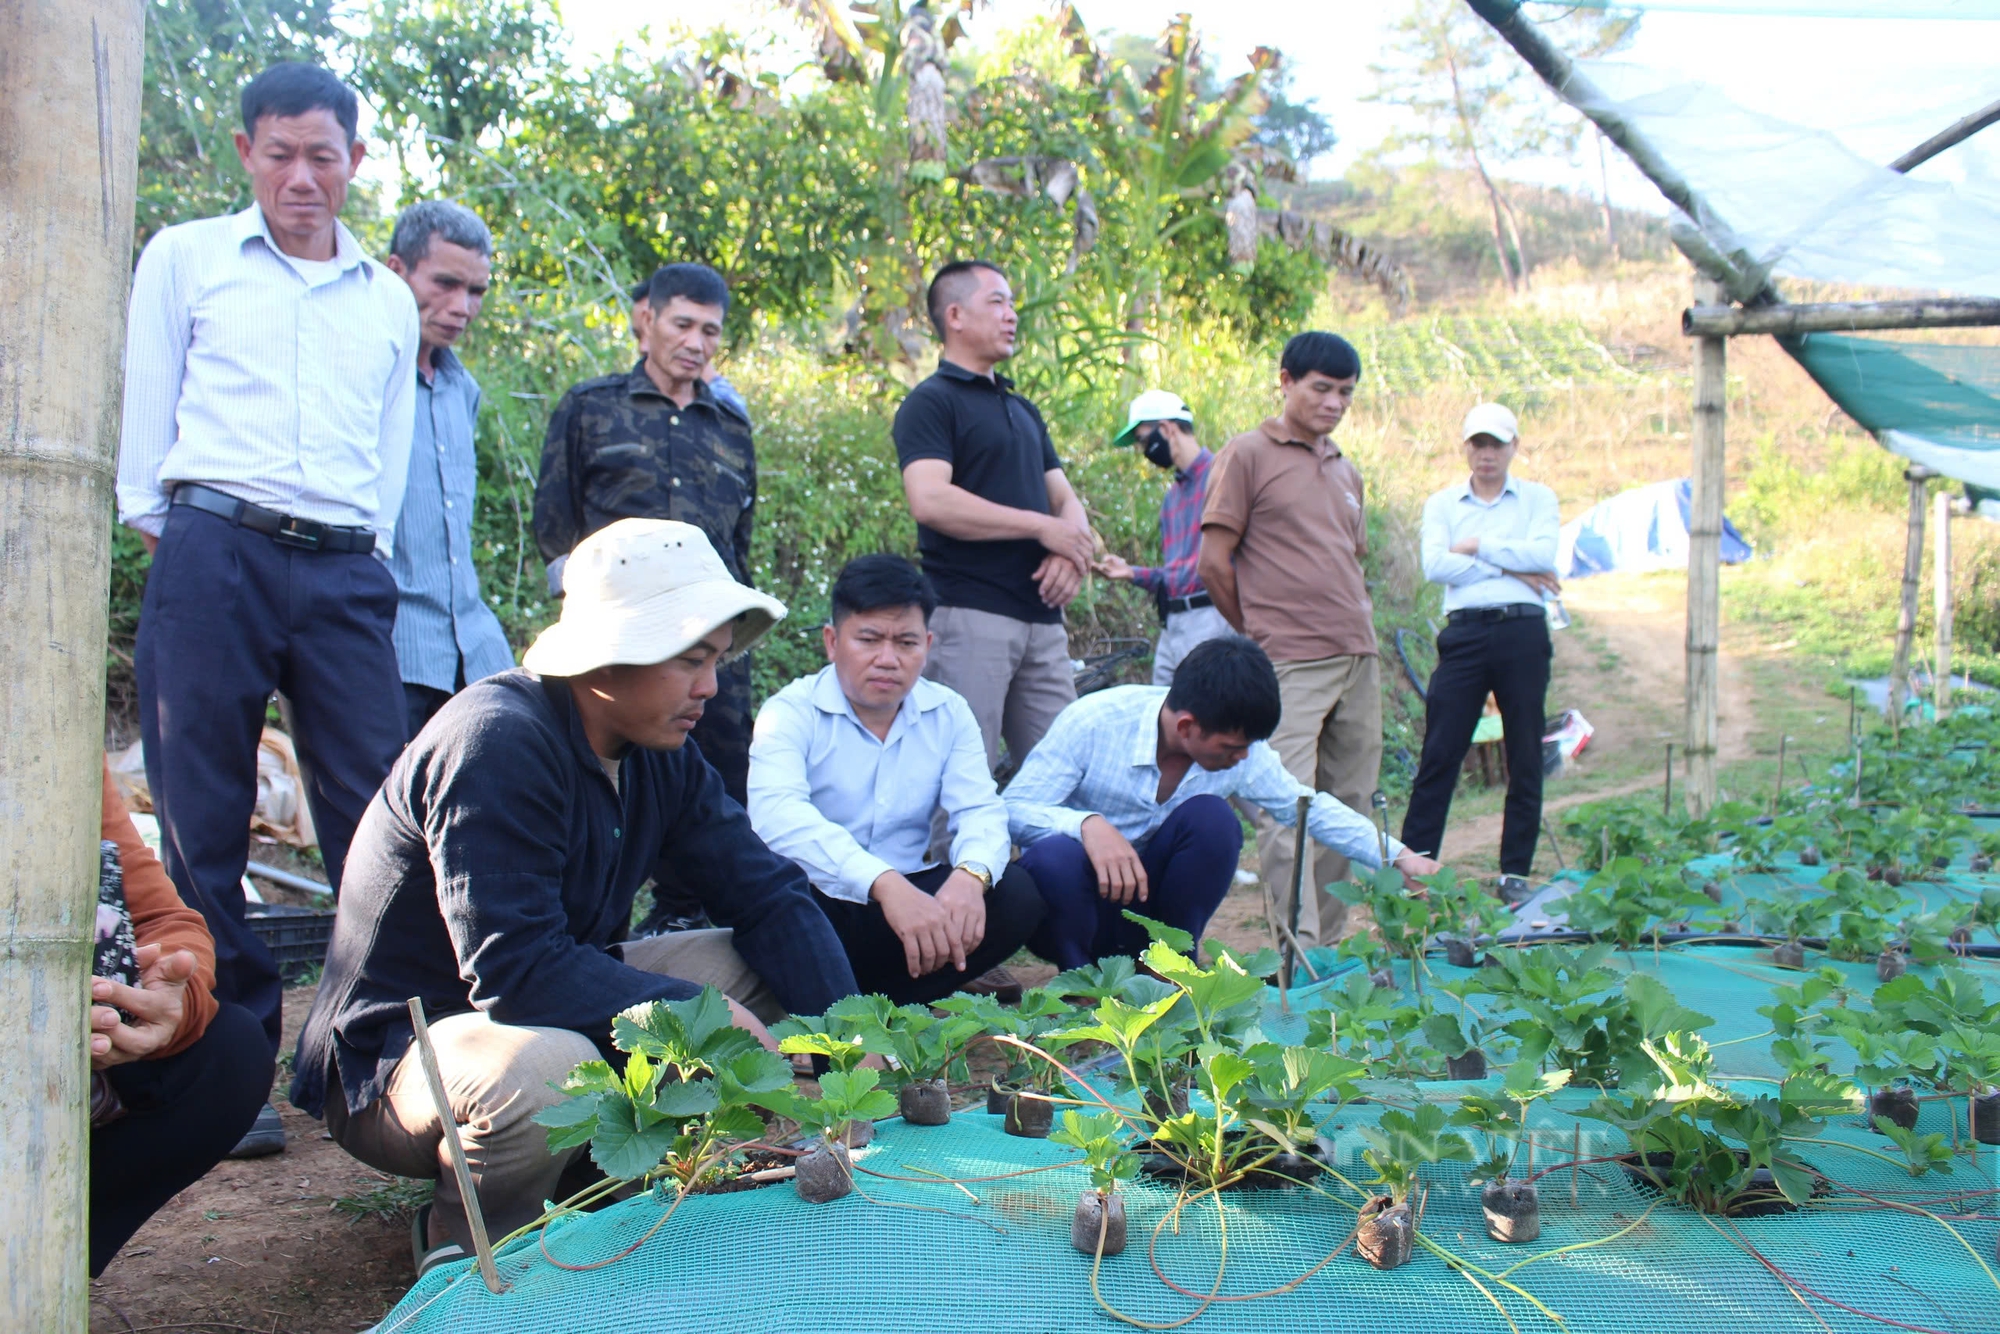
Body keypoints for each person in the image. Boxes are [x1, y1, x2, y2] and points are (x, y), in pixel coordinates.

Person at [291, 519, 857, 1273]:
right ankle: (477, 1241)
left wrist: (851, 1050)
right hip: (403, 1051)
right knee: (546, 1069)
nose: (710, 687)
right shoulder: (496, 742)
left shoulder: (661, 754)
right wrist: (707, 1017)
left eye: (716, 660)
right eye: (690, 660)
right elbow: (515, 970)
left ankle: (626, 1171)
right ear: (608, 655)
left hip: (537, 1002)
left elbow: (769, 896)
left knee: (755, 964)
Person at [117, 61, 419, 1153]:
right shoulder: (187, 256)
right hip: (212, 549)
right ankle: (232, 1061)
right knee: (199, 807)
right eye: (280, 153)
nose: (302, 176)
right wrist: (197, 542)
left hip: (342, 568)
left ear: (354, 161)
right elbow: (145, 438)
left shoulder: (386, 296)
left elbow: (385, 459)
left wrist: (356, 555)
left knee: (377, 811)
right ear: (246, 151)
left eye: (322, 156)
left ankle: (365, 1049)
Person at [1005, 636, 1441, 969]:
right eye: (1233, 747)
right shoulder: (1095, 723)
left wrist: (1398, 855)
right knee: (1053, 857)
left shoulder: (1239, 753)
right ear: (1188, 725)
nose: (1243, 757)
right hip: (1079, 909)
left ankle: (1172, 965)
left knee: (1214, 820)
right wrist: (1088, 826)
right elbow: (1011, 810)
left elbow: (1306, 807)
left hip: (1148, 910)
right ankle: (1081, 981)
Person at [748, 555, 1046, 1003]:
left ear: (927, 644)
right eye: (868, 639)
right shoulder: (789, 712)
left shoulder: (947, 712)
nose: (887, 659)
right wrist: (883, 883)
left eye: (906, 643)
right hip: (816, 903)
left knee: (1016, 896)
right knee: (777, 908)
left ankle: (878, 1003)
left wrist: (970, 877)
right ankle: (830, 1004)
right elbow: (777, 819)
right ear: (832, 642)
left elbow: (981, 809)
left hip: (912, 906)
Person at [534, 262, 758, 809]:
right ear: (647, 319)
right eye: (682, 324)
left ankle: (690, 899)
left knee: (717, 788)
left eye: (709, 330)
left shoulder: (731, 430)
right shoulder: (592, 407)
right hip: (618, 639)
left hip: (709, 644)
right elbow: (554, 528)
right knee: (592, 782)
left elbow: (737, 543)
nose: (695, 343)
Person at [1197, 331, 1377, 949]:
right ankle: (1295, 955)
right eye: (1321, 388)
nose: (1333, 403)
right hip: (1290, 660)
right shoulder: (1248, 454)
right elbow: (1214, 561)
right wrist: (1256, 637)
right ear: (1286, 381)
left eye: (1345, 393)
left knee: (1349, 807)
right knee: (1289, 808)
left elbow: (1351, 558)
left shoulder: (1346, 468)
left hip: (1359, 655)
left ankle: (1327, 947)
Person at [893, 259, 1094, 772]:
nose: (1012, 315)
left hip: (1044, 623)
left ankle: (1047, 859)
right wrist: (1042, 528)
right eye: (998, 302)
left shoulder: (1021, 408)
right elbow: (930, 499)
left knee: (1063, 778)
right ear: (955, 315)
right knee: (961, 778)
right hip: (971, 616)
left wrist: (1071, 555)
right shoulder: (931, 403)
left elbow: (1064, 498)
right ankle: (959, 860)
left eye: (1012, 304)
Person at [90, 761, 274, 1277]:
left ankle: (32, 1259)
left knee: (227, 1056)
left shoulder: (50, 731)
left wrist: (170, 1001)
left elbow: (160, 920)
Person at [1400, 404, 1560, 904]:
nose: (1486, 454)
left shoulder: (1538, 498)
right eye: (1478, 444)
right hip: (1465, 635)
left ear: (1514, 446)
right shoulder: (1443, 503)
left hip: (1523, 633)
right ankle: (1416, 867)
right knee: (1440, 751)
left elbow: (1544, 557)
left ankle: (1515, 872)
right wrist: (1510, 565)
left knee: (1526, 752)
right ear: (1465, 447)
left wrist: (1475, 546)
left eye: (1496, 444)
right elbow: (1434, 566)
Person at [382, 200, 515, 737]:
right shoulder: (366, 376)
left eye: (476, 291)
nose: (461, 307)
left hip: (474, 651)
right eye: (445, 284)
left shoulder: (462, 389)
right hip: (393, 649)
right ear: (397, 272)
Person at [1094, 389, 1230, 686]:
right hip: (1174, 624)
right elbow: (1177, 574)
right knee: (1163, 717)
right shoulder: (1173, 498)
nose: (1143, 450)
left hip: (1213, 618)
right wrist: (1130, 572)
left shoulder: (1224, 476)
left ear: (1167, 429)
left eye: (1144, 440)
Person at [629, 277, 750, 423]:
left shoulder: (727, 414)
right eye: (638, 335)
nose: (643, 346)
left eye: (709, 332)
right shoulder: (603, 405)